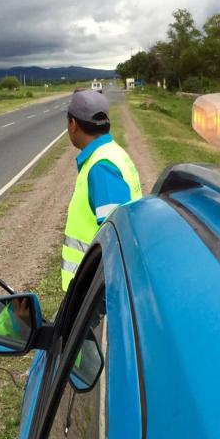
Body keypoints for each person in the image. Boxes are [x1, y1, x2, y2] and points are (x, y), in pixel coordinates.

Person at [61, 89, 142, 291]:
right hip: (93, 288)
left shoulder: (102, 166)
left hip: (95, 293)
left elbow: (116, 240)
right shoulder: (110, 153)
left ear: (73, 124)